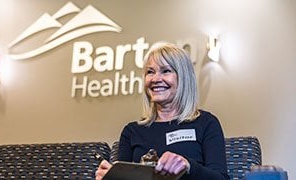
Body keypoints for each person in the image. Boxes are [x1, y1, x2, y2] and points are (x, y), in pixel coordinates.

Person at [95, 42, 229, 180]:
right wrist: (111, 178)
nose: (155, 79)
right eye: (150, 72)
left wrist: (188, 166)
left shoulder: (206, 123)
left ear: (183, 78)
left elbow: (221, 178)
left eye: (166, 71)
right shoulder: (132, 131)